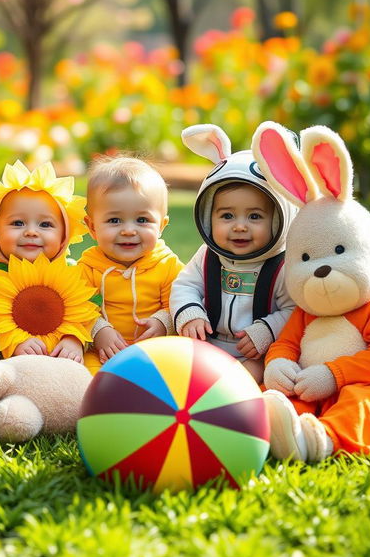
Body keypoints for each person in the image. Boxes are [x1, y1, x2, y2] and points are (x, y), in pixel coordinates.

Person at [170, 124, 297, 384]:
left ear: (277, 219)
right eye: (227, 216)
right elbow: (185, 285)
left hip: (254, 351)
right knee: (176, 361)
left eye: (255, 216)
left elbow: (295, 310)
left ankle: (234, 392)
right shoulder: (208, 255)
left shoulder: (282, 265)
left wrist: (267, 330)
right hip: (209, 342)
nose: (240, 226)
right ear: (208, 217)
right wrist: (190, 312)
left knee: (260, 371)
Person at [0, 160, 91, 363]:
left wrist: (75, 339)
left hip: (58, 366)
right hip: (5, 367)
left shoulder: (72, 272)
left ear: (64, 236)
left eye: (45, 224)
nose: (31, 232)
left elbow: (88, 314)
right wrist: (11, 341)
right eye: (18, 223)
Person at [79, 156, 183, 374]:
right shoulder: (87, 268)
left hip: (154, 351)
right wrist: (99, 330)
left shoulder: (167, 265)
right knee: (85, 375)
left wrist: (163, 322)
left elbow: (179, 303)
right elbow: (78, 308)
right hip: (102, 353)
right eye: (114, 220)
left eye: (142, 220)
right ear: (92, 226)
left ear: (162, 225)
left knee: (173, 374)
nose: (128, 230)